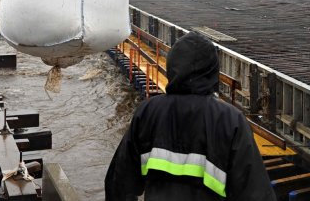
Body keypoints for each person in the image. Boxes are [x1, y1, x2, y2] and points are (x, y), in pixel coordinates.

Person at [104, 32, 275, 200]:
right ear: (213, 71)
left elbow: (118, 182)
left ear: (171, 67)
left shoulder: (149, 112)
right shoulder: (230, 121)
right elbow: (255, 193)